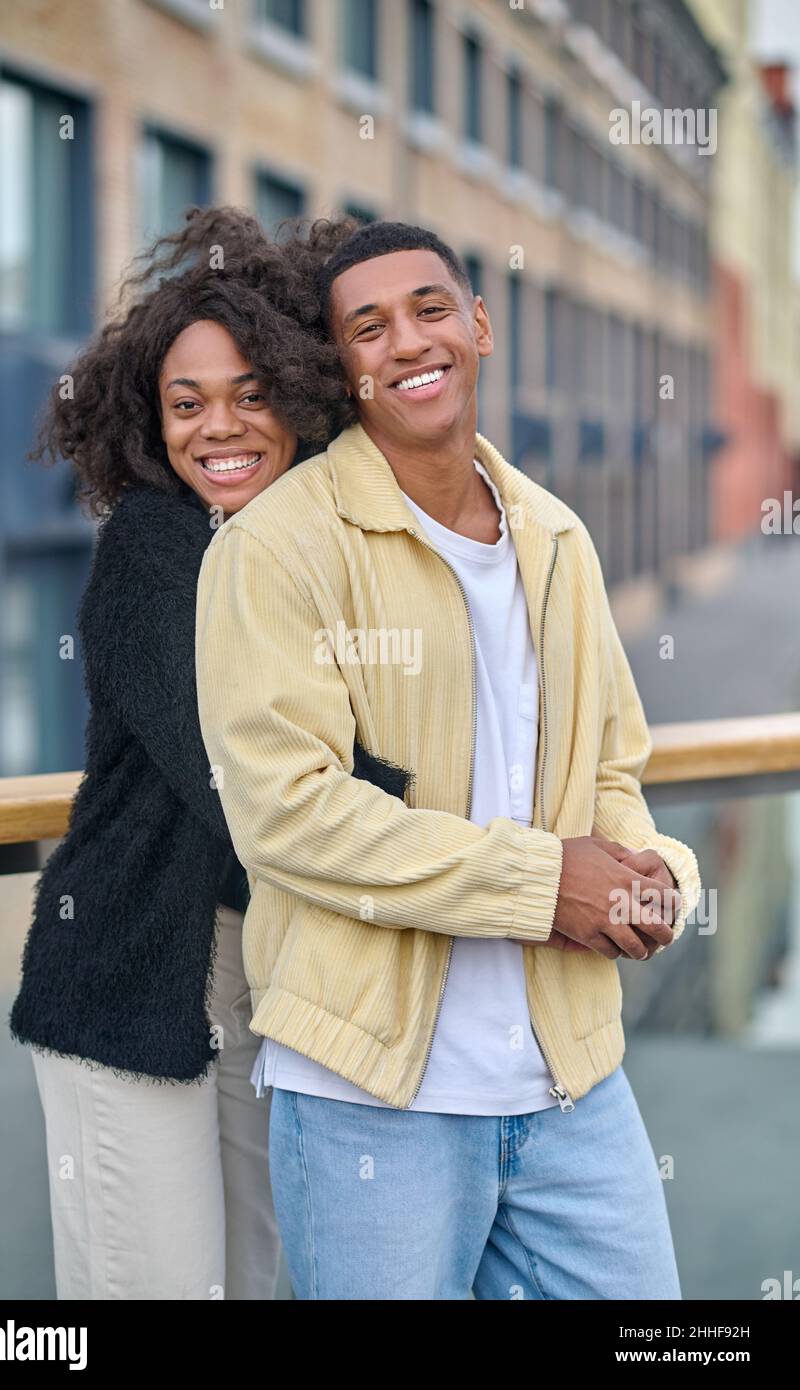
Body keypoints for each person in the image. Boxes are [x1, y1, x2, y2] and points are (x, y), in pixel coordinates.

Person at [195, 220, 703, 1300]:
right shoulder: (275, 548)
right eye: (367, 328)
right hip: (373, 1095)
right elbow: (287, 816)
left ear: (478, 325)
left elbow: (614, 773)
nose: (408, 342)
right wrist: (542, 882)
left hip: (571, 1081)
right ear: (343, 368)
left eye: (430, 309)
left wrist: (655, 875)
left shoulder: (557, 536)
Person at [9, 208, 365, 1299]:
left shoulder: (308, 546)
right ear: (148, 418)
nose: (222, 427)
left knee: (257, 1280)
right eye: (188, 402)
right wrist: (485, 848)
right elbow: (247, 785)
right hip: (127, 976)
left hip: (268, 968)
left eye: (253, 394)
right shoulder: (155, 547)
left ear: (303, 398)